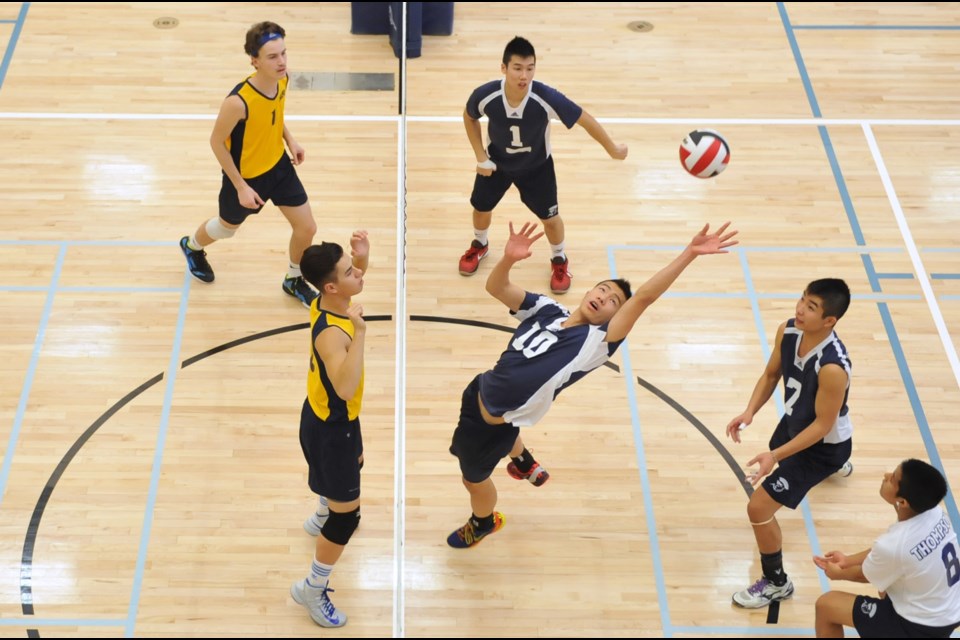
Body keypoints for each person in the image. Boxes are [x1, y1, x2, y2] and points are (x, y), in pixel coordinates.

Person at [447, 220, 737, 548]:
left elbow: (643, 298)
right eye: (602, 289)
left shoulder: (597, 341)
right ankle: (524, 461)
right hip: (478, 391)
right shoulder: (546, 309)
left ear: (615, 317)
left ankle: (483, 522)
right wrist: (508, 260)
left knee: (473, 480)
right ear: (587, 291)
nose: (604, 297)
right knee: (508, 422)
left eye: (613, 300)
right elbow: (496, 288)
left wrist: (690, 253)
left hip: (490, 428)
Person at [458, 36, 629, 295]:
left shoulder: (545, 97)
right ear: (503, 68)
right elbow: (469, 117)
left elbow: (584, 119)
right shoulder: (486, 95)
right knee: (480, 207)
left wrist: (612, 148)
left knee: (550, 218)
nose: (524, 75)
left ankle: (559, 259)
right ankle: (479, 244)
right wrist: (480, 156)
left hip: (536, 168)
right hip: (497, 164)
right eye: (517, 68)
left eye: (530, 68)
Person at [725, 278, 853, 608]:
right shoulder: (788, 330)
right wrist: (750, 411)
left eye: (811, 307)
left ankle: (777, 583)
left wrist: (774, 454)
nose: (800, 308)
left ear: (829, 321)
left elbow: (823, 425)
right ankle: (835, 464)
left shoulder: (833, 368)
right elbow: (771, 374)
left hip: (822, 445)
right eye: (802, 299)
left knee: (759, 507)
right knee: (779, 460)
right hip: (796, 423)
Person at [179, 21, 319, 308]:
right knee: (226, 228)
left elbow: (274, 114)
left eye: (283, 53)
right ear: (254, 61)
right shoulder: (238, 102)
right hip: (246, 177)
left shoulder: (283, 80)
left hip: (279, 167)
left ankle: (293, 279)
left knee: (307, 228)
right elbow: (216, 142)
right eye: (272, 57)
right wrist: (240, 186)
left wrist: (290, 140)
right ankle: (191, 245)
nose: (281, 62)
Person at [290, 231, 369, 628]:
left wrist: (363, 257)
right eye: (351, 270)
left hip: (320, 414)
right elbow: (345, 386)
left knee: (350, 466)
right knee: (348, 518)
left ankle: (322, 512)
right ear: (332, 285)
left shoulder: (326, 301)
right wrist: (363, 335)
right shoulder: (335, 333)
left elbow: (346, 291)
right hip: (333, 424)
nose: (359, 273)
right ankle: (312, 587)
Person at [813, 459, 960, 638]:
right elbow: (889, 554)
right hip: (950, 607)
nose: (886, 475)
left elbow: (866, 573)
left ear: (903, 501)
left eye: (892, 479)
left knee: (826, 605)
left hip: (920, 626)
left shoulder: (896, 544)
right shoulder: (934, 512)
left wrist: (838, 573)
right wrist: (848, 560)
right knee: (885, 588)